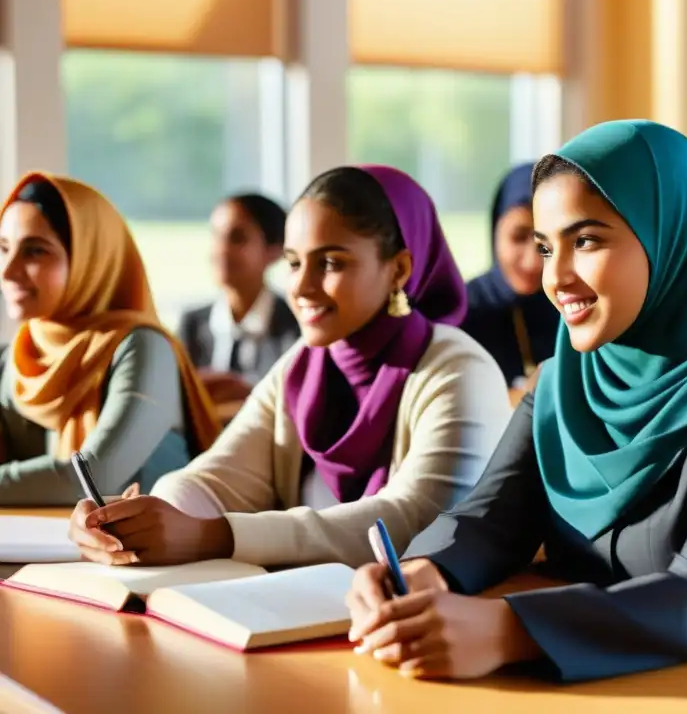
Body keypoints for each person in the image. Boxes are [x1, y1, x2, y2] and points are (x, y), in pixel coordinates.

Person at [345, 120, 687, 683]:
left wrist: (507, 630)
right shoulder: (562, 383)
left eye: (587, 241)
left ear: (670, 237)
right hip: (612, 680)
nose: (556, 276)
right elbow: (488, 521)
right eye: (548, 247)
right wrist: (426, 571)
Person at [67, 165, 510, 569]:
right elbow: (215, 478)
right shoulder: (304, 366)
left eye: (331, 262)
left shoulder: (458, 370)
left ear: (399, 269)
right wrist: (144, 520)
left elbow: (412, 521)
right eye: (295, 263)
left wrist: (210, 534)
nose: (300, 285)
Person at [0, 174, 221, 506]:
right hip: (52, 552)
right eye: (3, 248)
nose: (8, 270)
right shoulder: (18, 357)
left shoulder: (142, 348)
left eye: (34, 251)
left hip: (150, 555)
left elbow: (94, 477)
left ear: (91, 260)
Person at [178, 192, 299, 405]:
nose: (221, 250)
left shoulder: (294, 326)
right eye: (216, 235)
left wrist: (248, 392)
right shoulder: (192, 324)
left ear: (275, 250)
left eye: (237, 238)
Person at [462, 163, 559, 393]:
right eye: (517, 237)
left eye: (546, 245)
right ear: (496, 227)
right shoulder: (462, 312)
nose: (533, 262)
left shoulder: (569, 306)